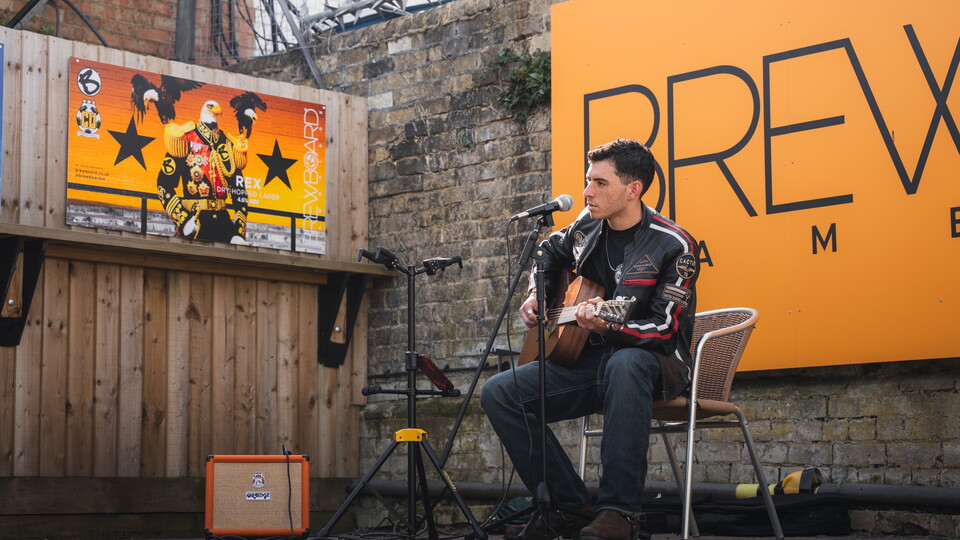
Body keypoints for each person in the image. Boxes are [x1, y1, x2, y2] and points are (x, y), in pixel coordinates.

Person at [481, 139, 699, 540]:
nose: (586, 192)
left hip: (654, 365)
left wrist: (610, 326)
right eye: (587, 181)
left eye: (600, 183)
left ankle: (620, 513)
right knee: (499, 392)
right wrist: (537, 295)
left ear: (633, 189)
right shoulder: (586, 224)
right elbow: (548, 252)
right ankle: (568, 506)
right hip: (587, 363)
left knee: (626, 362)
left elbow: (665, 330)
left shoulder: (674, 244)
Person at [157, 100, 249, 244]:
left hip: (225, 226)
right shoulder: (184, 138)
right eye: (211, 107)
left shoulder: (229, 143)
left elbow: (240, 192)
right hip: (194, 221)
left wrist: (238, 231)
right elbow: (164, 185)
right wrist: (184, 221)